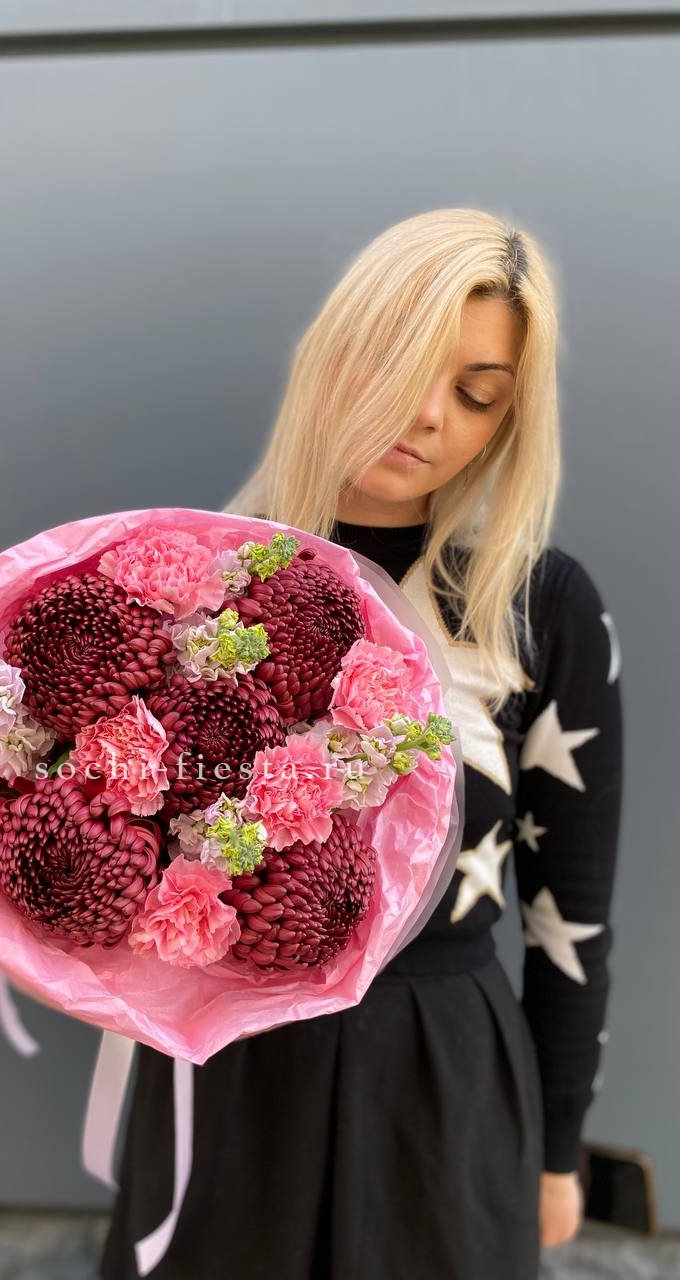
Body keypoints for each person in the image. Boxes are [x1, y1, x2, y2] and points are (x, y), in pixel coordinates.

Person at [99, 208, 624, 1279]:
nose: (428, 414)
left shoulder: (538, 606)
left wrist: (558, 1145)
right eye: (403, 358)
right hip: (227, 1071)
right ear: (337, 346)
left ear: (509, 422)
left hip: (443, 1079)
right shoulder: (190, 578)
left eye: (477, 393)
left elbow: (569, 913)